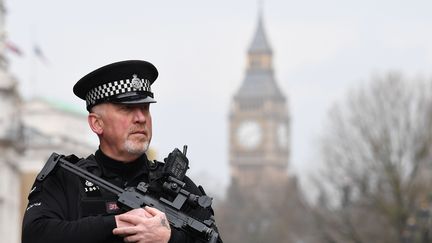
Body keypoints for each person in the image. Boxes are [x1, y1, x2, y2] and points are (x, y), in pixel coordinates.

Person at [22, 60, 222, 243]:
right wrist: (118, 224)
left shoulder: (178, 189)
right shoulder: (66, 179)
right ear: (97, 123)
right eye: (127, 109)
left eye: (145, 108)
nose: (141, 118)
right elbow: (36, 234)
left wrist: (169, 238)